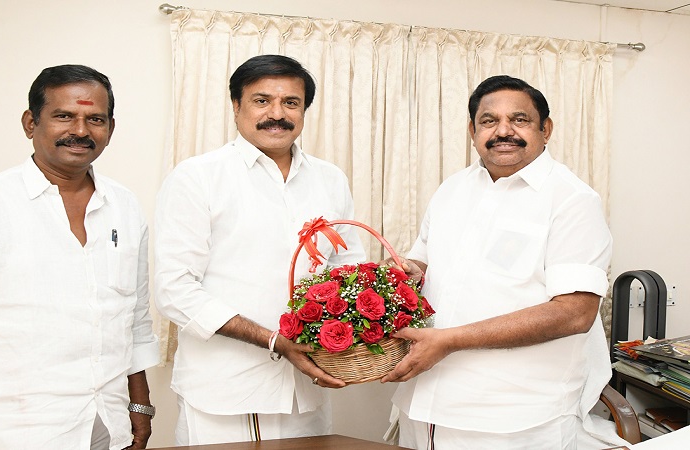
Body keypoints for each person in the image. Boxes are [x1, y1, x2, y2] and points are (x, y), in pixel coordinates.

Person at [0, 64, 159, 450]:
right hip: (10, 431)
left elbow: (134, 319)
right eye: (63, 116)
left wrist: (139, 404)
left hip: (105, 425)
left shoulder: (125, 207)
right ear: (30, 123)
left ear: (110, 128)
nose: (81, 130)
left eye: (95, 119)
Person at [382, 75, 629, 449]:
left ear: (545, 129)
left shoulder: (572, 200)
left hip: (514, 419)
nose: (503, 131)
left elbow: (574, 312)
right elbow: (427, 262)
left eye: (519, 119)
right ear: (472, 131)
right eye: (489, 121)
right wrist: (413, 271)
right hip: (423, 403)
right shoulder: (452, 189)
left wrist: (449, 340)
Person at [153, 54, 366, 445]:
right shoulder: (198, 177)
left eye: (291, 102)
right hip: (224, 393)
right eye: (262, 100)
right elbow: (174, 290)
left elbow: (349, 270)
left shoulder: (330, 178)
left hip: (306, 391)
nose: (277, 114)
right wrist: (272, 340)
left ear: (304, 110)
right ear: (236, 106)